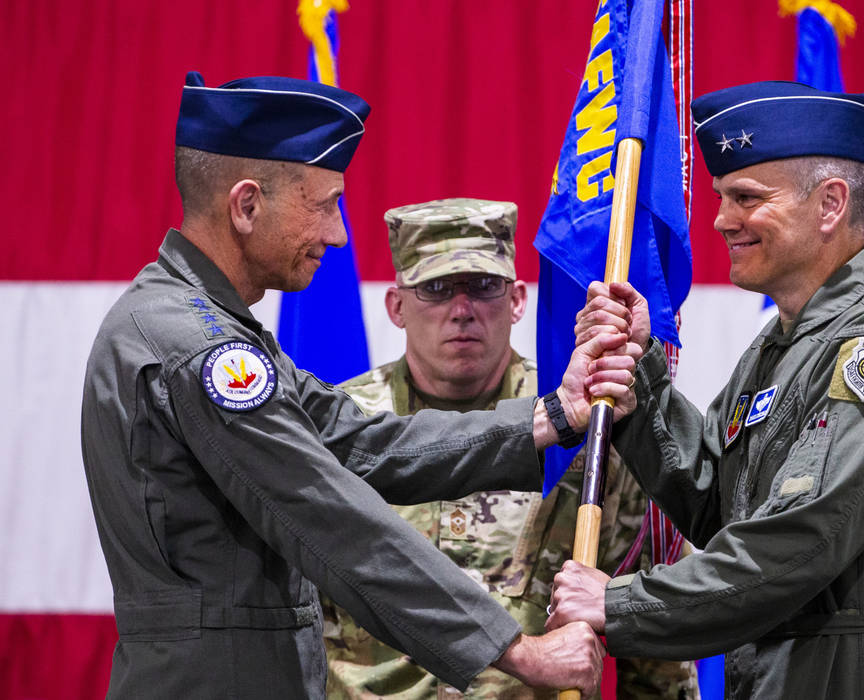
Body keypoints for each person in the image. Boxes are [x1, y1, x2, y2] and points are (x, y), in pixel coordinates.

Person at [80, 72, 640, 699]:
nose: (337, 233)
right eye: (321, 205)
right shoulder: (203, 349)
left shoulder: (198, 323)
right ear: (245, 205)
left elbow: (358, 441)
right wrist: (518, 650)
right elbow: (329, 517)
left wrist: (553, 415)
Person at [547, 80, 864, 698]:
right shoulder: (784, 343)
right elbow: (719, 505)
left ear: (829, 204)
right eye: (721, 197)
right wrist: (639, 379)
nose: (720, 221)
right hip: (772, 670)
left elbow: (797, 543)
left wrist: (619, 603)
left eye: (746, 197)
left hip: (846, 679)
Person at [320, 198, 699, 699]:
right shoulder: (343, 429)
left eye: (483, 287)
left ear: (518, 299)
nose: (462, 311)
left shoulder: (590, 422)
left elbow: (652, 632)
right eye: (435, 288)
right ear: (396, 306)